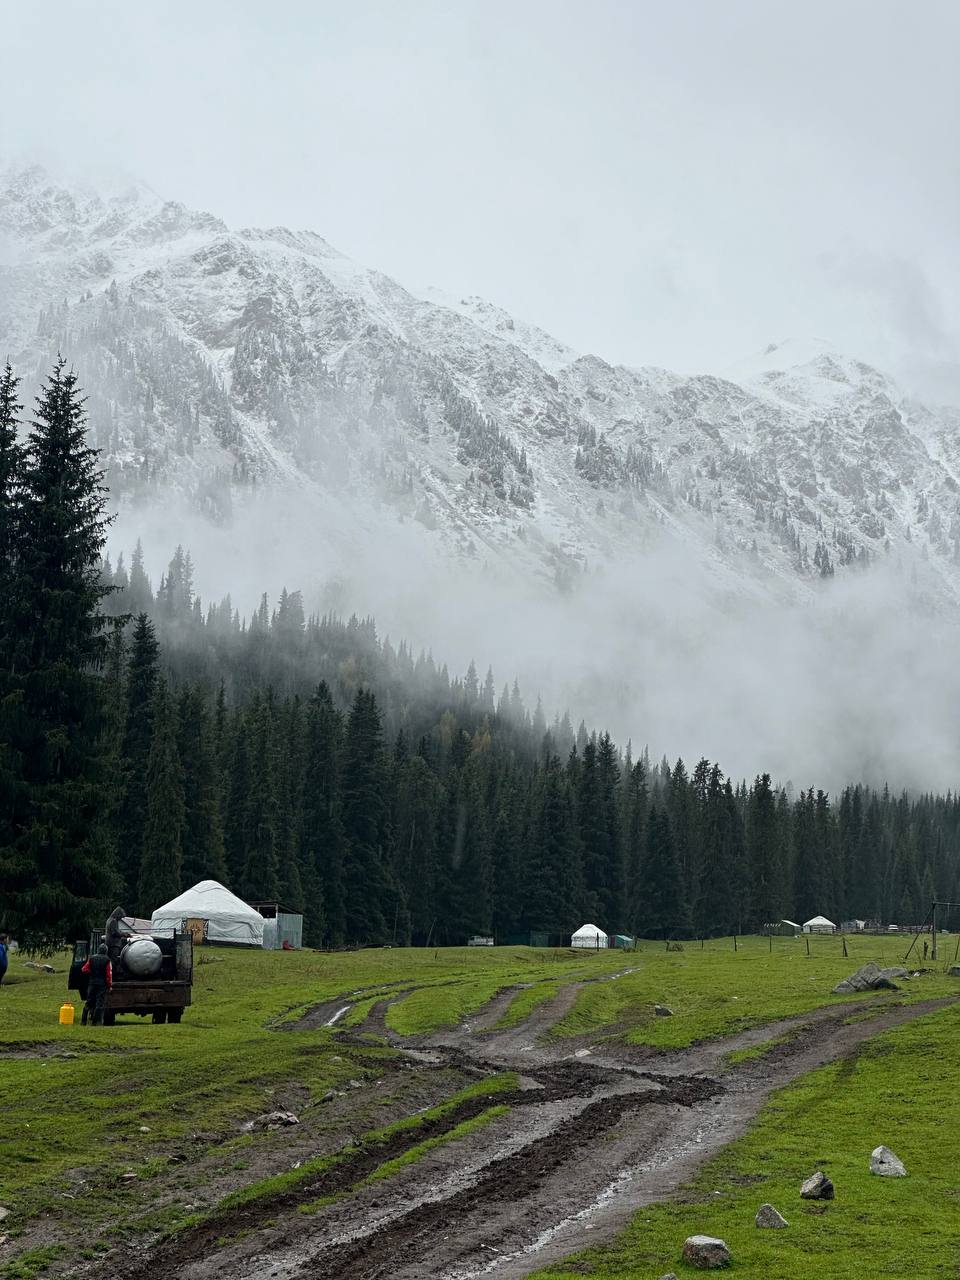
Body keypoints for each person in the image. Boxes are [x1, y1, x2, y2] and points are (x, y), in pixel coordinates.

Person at [81, 943, 113, 1026]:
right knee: (99, 1003)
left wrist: (91, 972)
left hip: (92, 983)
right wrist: (109, 985)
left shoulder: (92, 958)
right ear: (106, 951)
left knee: (89, 1002)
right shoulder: (107, 960)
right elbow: (108, 974)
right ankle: (94, 1022)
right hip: (102, 984)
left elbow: (84, 969)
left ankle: (83, 1021)